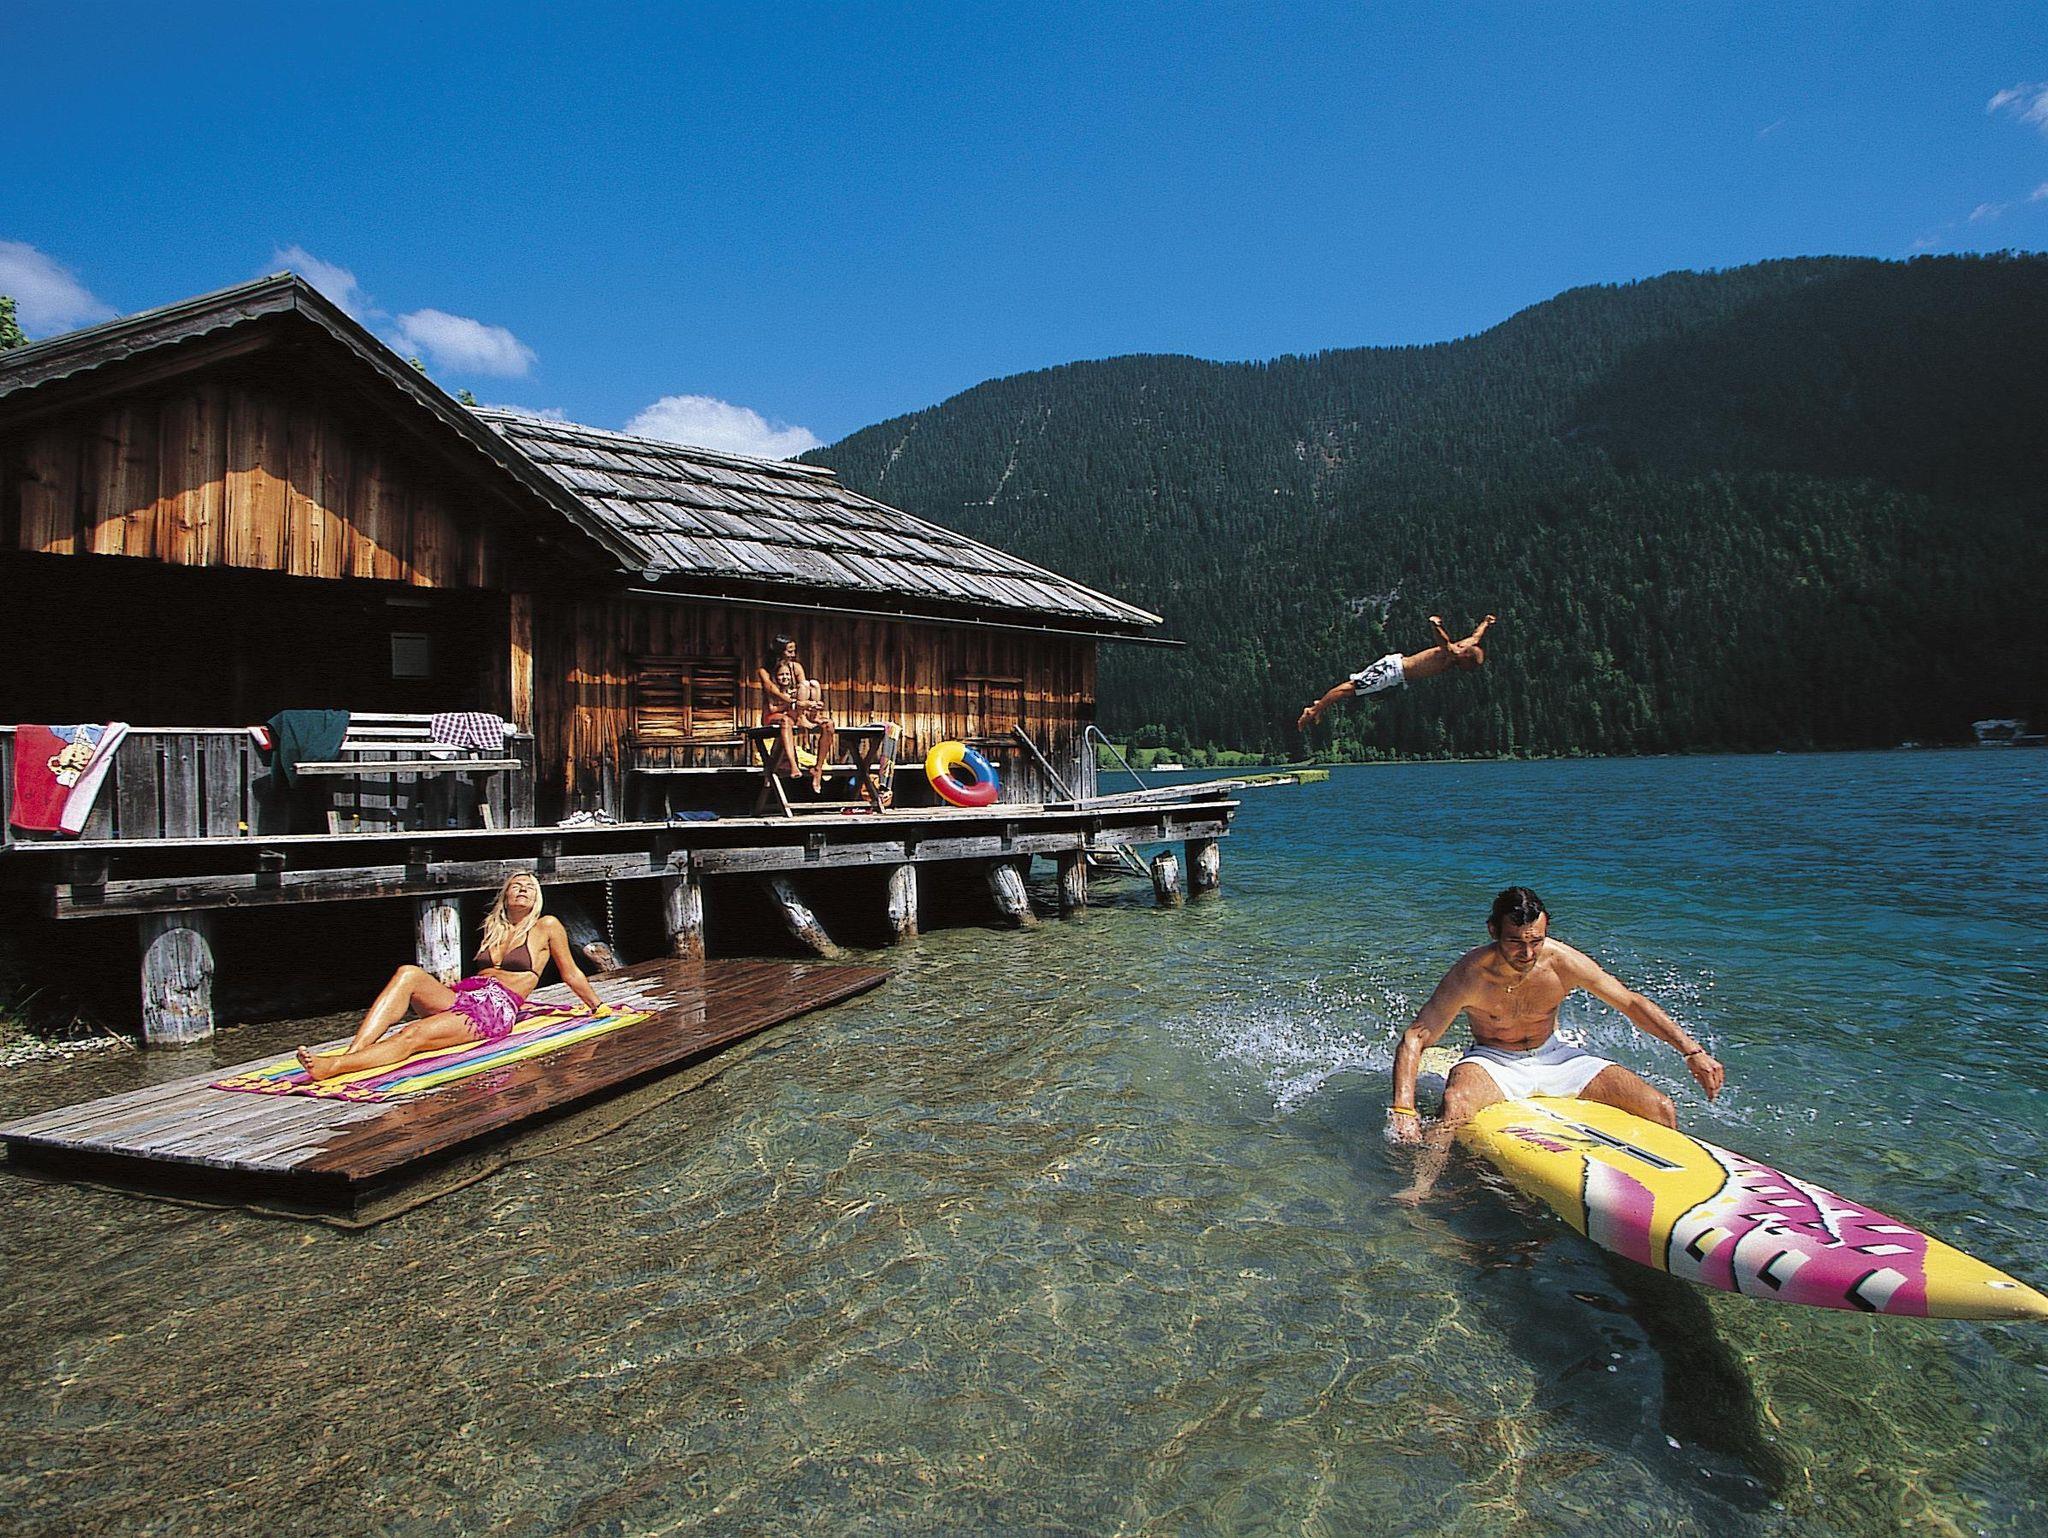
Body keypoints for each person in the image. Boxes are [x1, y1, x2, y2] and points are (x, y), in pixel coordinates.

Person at [1385, 886, 1725, 1203]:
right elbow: (1416, 1036)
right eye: (1515, 942)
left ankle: (1680, 1196)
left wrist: (1692, 1051)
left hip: (1556, 1056)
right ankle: (1420, 1187)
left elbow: (1631, 1003)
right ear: (1492, 931)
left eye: (1536, 941)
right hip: (1494, 1060)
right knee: (1454, 1105)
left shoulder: (1562, 962)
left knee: (1660, 1108)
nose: (1527, 953)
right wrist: (1404, 1110)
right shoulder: (1470, 974)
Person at [295, 872, 608, 1081]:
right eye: (516, 885)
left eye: (529, 886)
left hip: (493, 1008)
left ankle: (335, 1066)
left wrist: (598, 1006)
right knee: (408, 973)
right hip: (465, 995)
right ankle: (356, 1050)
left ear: (537, 898)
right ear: (505, 895)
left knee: (414, 1033)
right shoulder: (494, 928)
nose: (523, 889)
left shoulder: (546, 926)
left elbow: (570, 972)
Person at [1297, 613, 1498, 731]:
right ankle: (1313, 710)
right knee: (1348, 689)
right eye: (1469, 667)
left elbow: (1476, 636)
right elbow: (1443, 641)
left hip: (1396, 670)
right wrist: (1435, 626)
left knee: (1352, 689)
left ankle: (1319, 706)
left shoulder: (1466, 646)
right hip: (1392, 671)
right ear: (1465, 658)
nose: (1467, 671)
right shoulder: (1453, 654)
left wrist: (1486, 623)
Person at [757, 634, 837, 793]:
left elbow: (804, 688)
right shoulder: (765, 671)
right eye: (789, 651)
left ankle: (818, 768)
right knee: (786, 721)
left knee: (828, 723)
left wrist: (812, 704)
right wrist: (793, 703)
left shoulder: (796, 667)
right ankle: (793, 765)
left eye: (794, 651)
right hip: (777, 714)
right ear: (779, 651)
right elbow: (771, 690)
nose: (793, 655)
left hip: (795, 711)